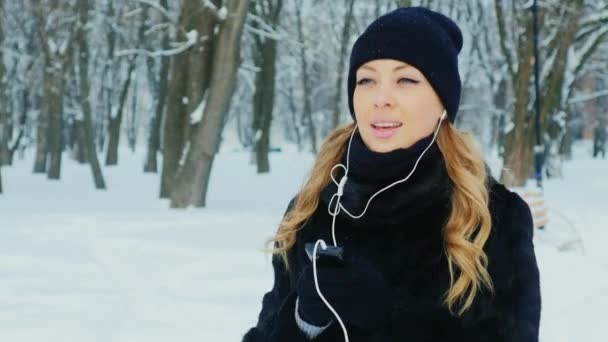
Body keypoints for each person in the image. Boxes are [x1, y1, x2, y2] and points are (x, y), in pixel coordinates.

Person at [242, 6, 541, 342]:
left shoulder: (492, 218)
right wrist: (302, 321)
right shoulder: (311, 208)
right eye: (366, 80)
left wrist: (388, 319)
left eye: (406, 80)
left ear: (443, 102)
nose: (381, 98)